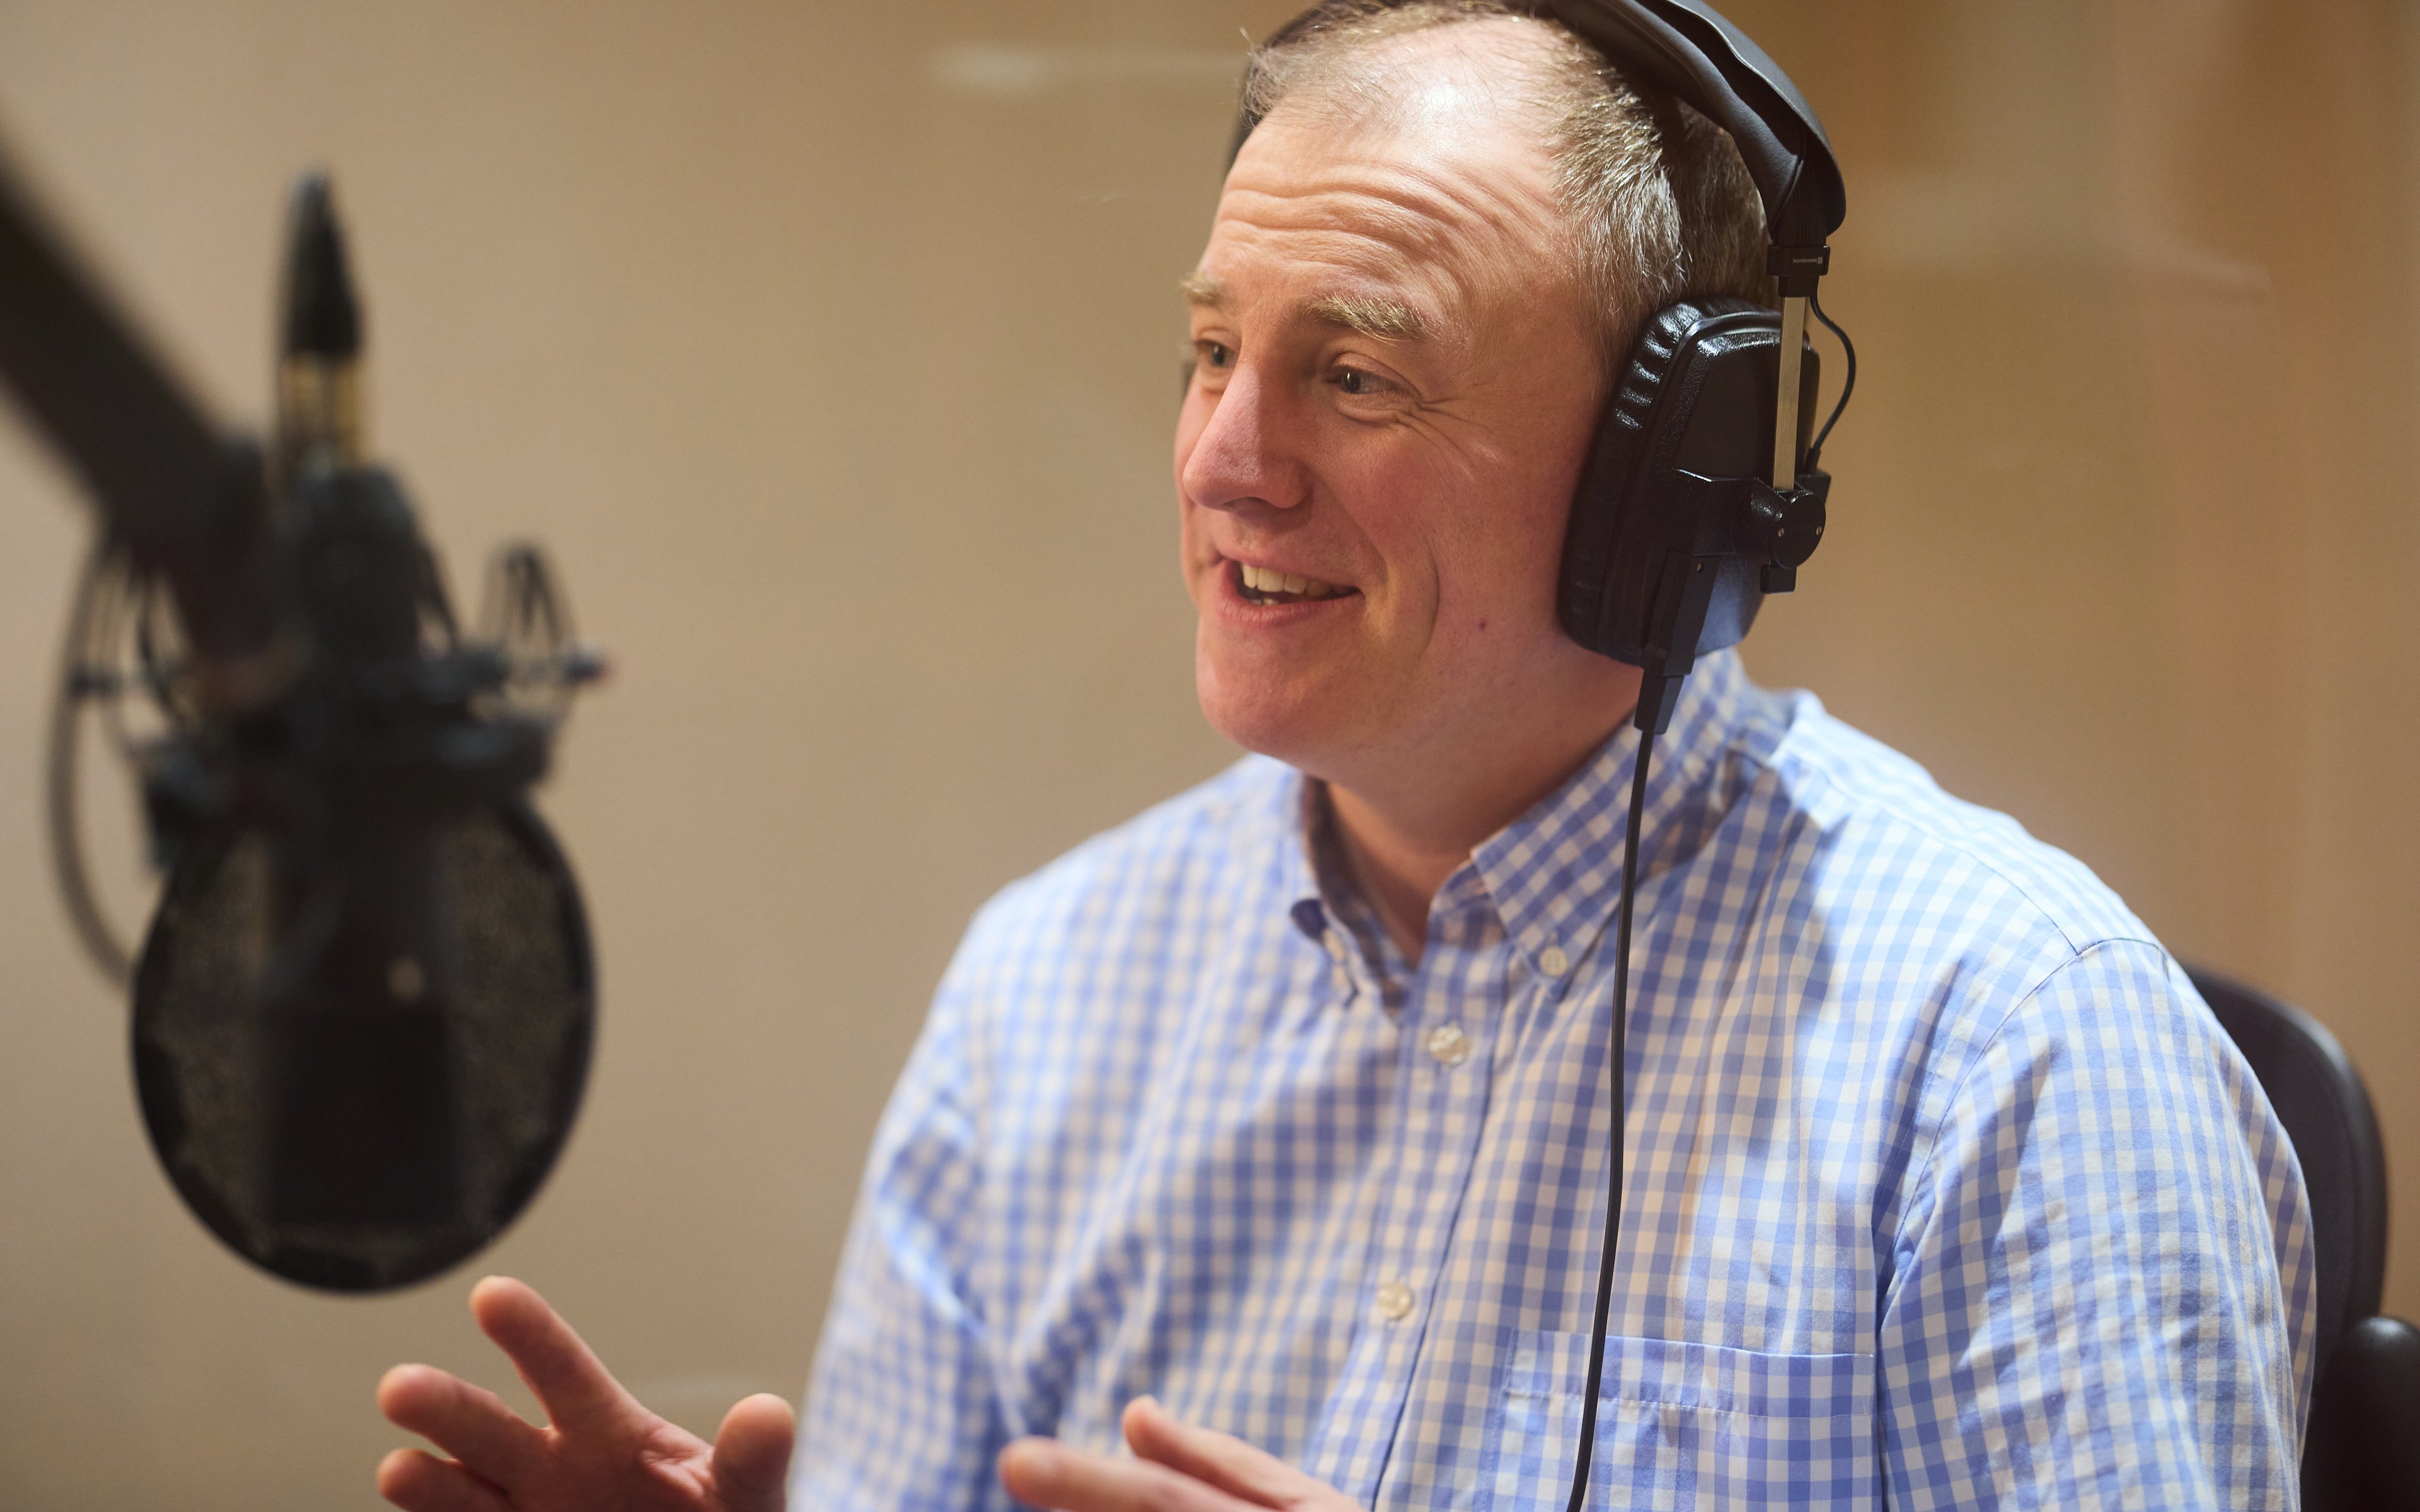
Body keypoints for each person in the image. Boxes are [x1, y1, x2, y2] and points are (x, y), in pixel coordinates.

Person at [372, 5, 2314, 1509]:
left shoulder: (2016, 1048)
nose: (1227, 462)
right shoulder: (1044, 994)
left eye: (1357, 375)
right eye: (1215, 351)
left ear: (1672, 484)